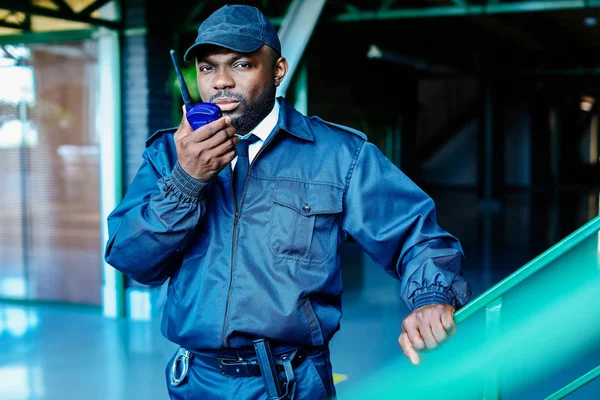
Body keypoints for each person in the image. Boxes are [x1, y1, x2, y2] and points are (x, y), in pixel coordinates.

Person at [105, 4, 471, 400]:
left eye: (241, 65)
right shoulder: (168, 154)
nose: (220, 82)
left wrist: (432, 297)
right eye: (208, 68)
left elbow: (417, 237)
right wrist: (187, 180)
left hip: (293, 384)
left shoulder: (338, 154)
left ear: (277, 69)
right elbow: (130, 259)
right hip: (195, 382)